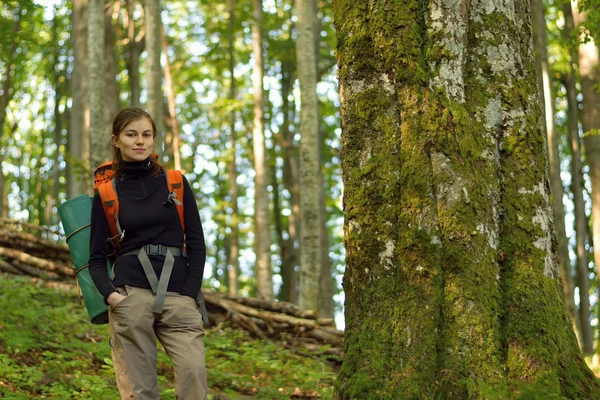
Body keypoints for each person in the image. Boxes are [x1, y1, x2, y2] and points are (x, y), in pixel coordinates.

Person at [88, 107, 208, 400]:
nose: (139, 141)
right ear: (116, 140)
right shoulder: (107, 192)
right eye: (131, 135)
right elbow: (95, 257)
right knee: (139, 392)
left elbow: (196, 242)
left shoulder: (175, 182)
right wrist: (112, 296)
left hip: (179, 295)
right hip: (130, 295)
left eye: (146, 134)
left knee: (194, 378)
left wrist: (191, 290)